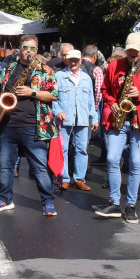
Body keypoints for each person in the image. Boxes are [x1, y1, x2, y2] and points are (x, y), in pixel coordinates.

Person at [96, 33, 140, 223]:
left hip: (139, 123)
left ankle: (131, 205)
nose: (132, 56)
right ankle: (115, 202)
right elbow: (105, 90)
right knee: (111, 159)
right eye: (129, 52)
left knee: (135, 164)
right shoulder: (114, 66)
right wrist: (112, 103)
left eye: (135, 53)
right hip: (118, 119)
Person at [0, 35, 59, 216]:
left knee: (39, 166)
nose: (29, 51)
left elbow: (53, 95)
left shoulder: (45, 70)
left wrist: (32, 92)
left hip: (33, 125)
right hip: (8, 123)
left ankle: (48, 202)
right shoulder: (9, 67)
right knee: (5, 165)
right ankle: (5, 199)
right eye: (26, 48)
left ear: (36, 51)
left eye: (32, 49)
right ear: (20, 49)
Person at [53, 49, 99, 191]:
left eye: (76, 60)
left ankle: (79, 179)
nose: (73, 63)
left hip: (83, 118)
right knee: (64, 149)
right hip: (65, 118)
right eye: (71, 60)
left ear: (80, 61)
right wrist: (58, 111)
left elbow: (91, 100)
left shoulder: (86, 78)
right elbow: (53, 97)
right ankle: (64, 178)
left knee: (82, 149)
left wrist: (94, 118)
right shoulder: (59, 76)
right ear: (66, 60)